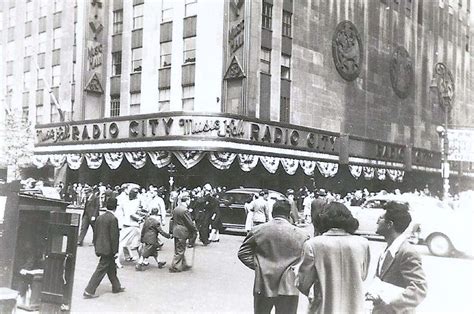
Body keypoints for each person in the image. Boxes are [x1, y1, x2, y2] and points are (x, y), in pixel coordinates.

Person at [296, 202, 370, 314]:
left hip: (324, 307)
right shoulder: (363, 243)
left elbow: (303, 282)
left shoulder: (313, 244)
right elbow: (363, 275)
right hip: (354, 307)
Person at [238, 200, 310, 314]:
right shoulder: (302, 235)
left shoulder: (258, 230)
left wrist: (258, 265)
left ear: (272, 212)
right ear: (289, 213)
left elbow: (243, 253)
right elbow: (307, 259)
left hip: (263, 283)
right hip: (289, 285)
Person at [366, 201, 428, 313]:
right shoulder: (390, 248)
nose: (376, 221)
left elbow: (419, 289)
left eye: (380, 219)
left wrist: (389, 302)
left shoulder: (407, 252)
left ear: (389, 224)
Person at [83, 197, 125, 298]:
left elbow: (95, 233)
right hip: (109, 249)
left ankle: (116, 286)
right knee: (101, 270)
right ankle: (89, 290)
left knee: (111, 268)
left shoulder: (100, 218)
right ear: (115, 207)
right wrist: (115, 251)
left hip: (101, 247)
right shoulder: (113, 219)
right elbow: (114, 237)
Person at [169, 193, 198, 273]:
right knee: (180, 250)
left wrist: (171, 231)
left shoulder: (176, 209)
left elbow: (171, 220)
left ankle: (183, 264)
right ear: (187, 200)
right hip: (182, 232)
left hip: (176, 231)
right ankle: (174, 266)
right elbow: (189, 222)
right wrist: (195, 229)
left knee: (179, 248)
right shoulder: (185, 210)